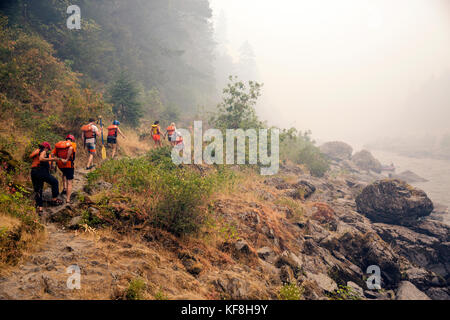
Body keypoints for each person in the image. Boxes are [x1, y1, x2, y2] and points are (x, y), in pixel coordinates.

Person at [30, 142, 62, 213]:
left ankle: (40, 207)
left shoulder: (37, 151)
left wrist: (51, 166)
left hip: (33, 172)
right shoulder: (43, 151)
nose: (48, 151)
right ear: (46, 147)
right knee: (55, 182)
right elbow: (41, 159)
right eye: (48, 149)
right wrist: (52, 159)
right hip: (41, 172)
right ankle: (54, 199)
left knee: (38, 190)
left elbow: (34, 158)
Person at [52, 135, 76, 204]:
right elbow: (71, 149)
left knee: (64, 174)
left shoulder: (60, 144)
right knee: (69, 181)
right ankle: (68, 199)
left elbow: (52, 154)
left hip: (60, 165)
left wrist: (53, 163)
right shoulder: (72, 144)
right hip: (68, 164)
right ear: (72, 140)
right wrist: (66, 159)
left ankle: (64, 188)